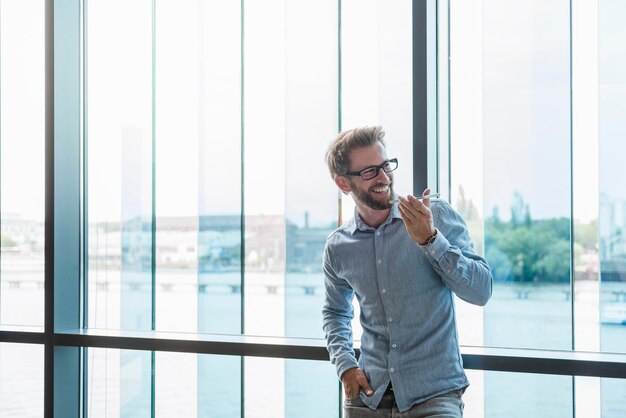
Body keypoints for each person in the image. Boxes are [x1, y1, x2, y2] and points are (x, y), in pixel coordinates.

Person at [322, 126, 492, 417]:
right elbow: (335, 313)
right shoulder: (338, 246)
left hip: (434, 396)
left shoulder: (434, 214)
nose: (384, 177)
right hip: (367, 398)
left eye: (386, 165)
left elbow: (480, 291)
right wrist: (345, 365)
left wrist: (431, 240)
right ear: (343, 183)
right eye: (370, 171)